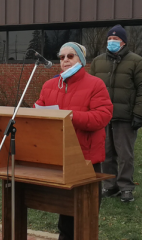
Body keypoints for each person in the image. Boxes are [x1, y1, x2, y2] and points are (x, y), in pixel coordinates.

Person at [35, 42, 113, 240]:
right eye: (62, 57)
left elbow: (102, 116)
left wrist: (72, 117)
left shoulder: (96, 84)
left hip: (86, 159)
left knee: (85, 215)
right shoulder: (49, 85)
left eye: (71, 56)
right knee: (66, 217)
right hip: (59, 157)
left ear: (81, 60)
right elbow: (40, 112)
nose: (65, 60)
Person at [89, 24, 142, 202]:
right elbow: (91, 89)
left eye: (115, 39)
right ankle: (110, 186)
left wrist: (139, 114)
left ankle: (126, 187)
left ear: (123, 42)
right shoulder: (97, 62)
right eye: (109, 39)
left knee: (125, 155)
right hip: (103, 117)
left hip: (125, 117)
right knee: (106, 154)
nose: (111, 42)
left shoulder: (137, 61)